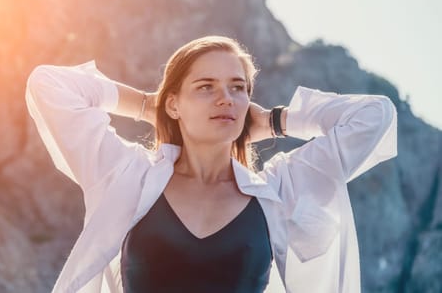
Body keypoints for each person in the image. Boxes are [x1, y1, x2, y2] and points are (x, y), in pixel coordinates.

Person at [25, 35, 397, 293]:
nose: (226, 99)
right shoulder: (129, 177)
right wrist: (145, 105)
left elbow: (373, 116)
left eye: (238, 88)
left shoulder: (279, 191)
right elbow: (50, 85)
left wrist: (274, 122)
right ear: (174, 104)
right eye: (206, 87)